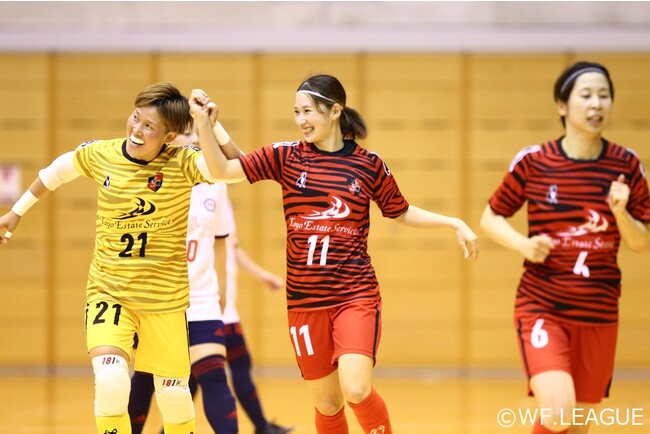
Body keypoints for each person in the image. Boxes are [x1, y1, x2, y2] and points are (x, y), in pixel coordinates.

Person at [190, 74, 479, 434]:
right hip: (305, 303)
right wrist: (205, 125)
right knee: (327, 403)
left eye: (308, 111)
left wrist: (453, 222)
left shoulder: (368, 164)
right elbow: (221, 170)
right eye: (296, 112)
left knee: (356, 389)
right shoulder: (286, 156)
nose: (301, 120)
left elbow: (400, 211)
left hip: (354, 295)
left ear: (335, 111)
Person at [0, 83, 241, 434]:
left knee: (175, 399)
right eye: (135, 117)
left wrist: (210, 125)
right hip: (110, 292)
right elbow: (55, 172)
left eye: (149, 126)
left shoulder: (183, 163)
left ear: (169, 136)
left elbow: (238, 167)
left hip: (165, 300)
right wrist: (16, 212)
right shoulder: (102, 154)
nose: (136, 129)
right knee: (112, 381)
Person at [480, 61, 650, 434]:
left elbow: (641, 242)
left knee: (575, 427)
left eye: (604, 96)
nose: (597, 104)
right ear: (562, 105)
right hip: (544, 306)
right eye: (586, 95)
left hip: (600, 313)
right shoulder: (535, 161)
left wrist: (620, 213)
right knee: (559, 411)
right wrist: (524, 245)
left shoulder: (626, 164)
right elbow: (490, 217)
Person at [128, 124, 293, 434]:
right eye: (186, 133)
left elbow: (223, 240)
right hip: (158, 299)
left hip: (202, 298)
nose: (193, 139)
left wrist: (221, 289)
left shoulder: (214, 183)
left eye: (197, 134)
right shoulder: (150, 178)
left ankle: (254, 426)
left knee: (214, 374)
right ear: (169, 138)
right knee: (147, 378)